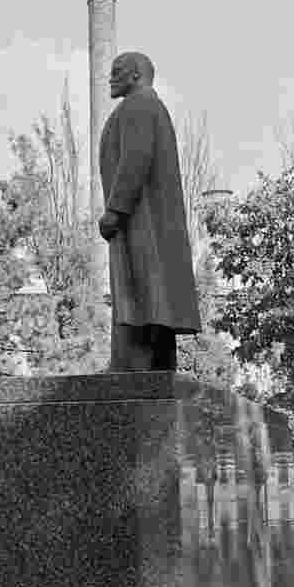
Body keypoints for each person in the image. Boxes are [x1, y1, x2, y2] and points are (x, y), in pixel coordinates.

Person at [97, 50, 202, 372]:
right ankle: (156, 367)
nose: (111, 77)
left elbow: (135, 159)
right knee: (154, 296)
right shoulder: (148, 106)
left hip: (140, 221)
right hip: (146, 219)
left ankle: (132, 366)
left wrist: (115, 210)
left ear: (136, 75)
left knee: (140, 292)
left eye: (118, 71)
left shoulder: (139, 105)